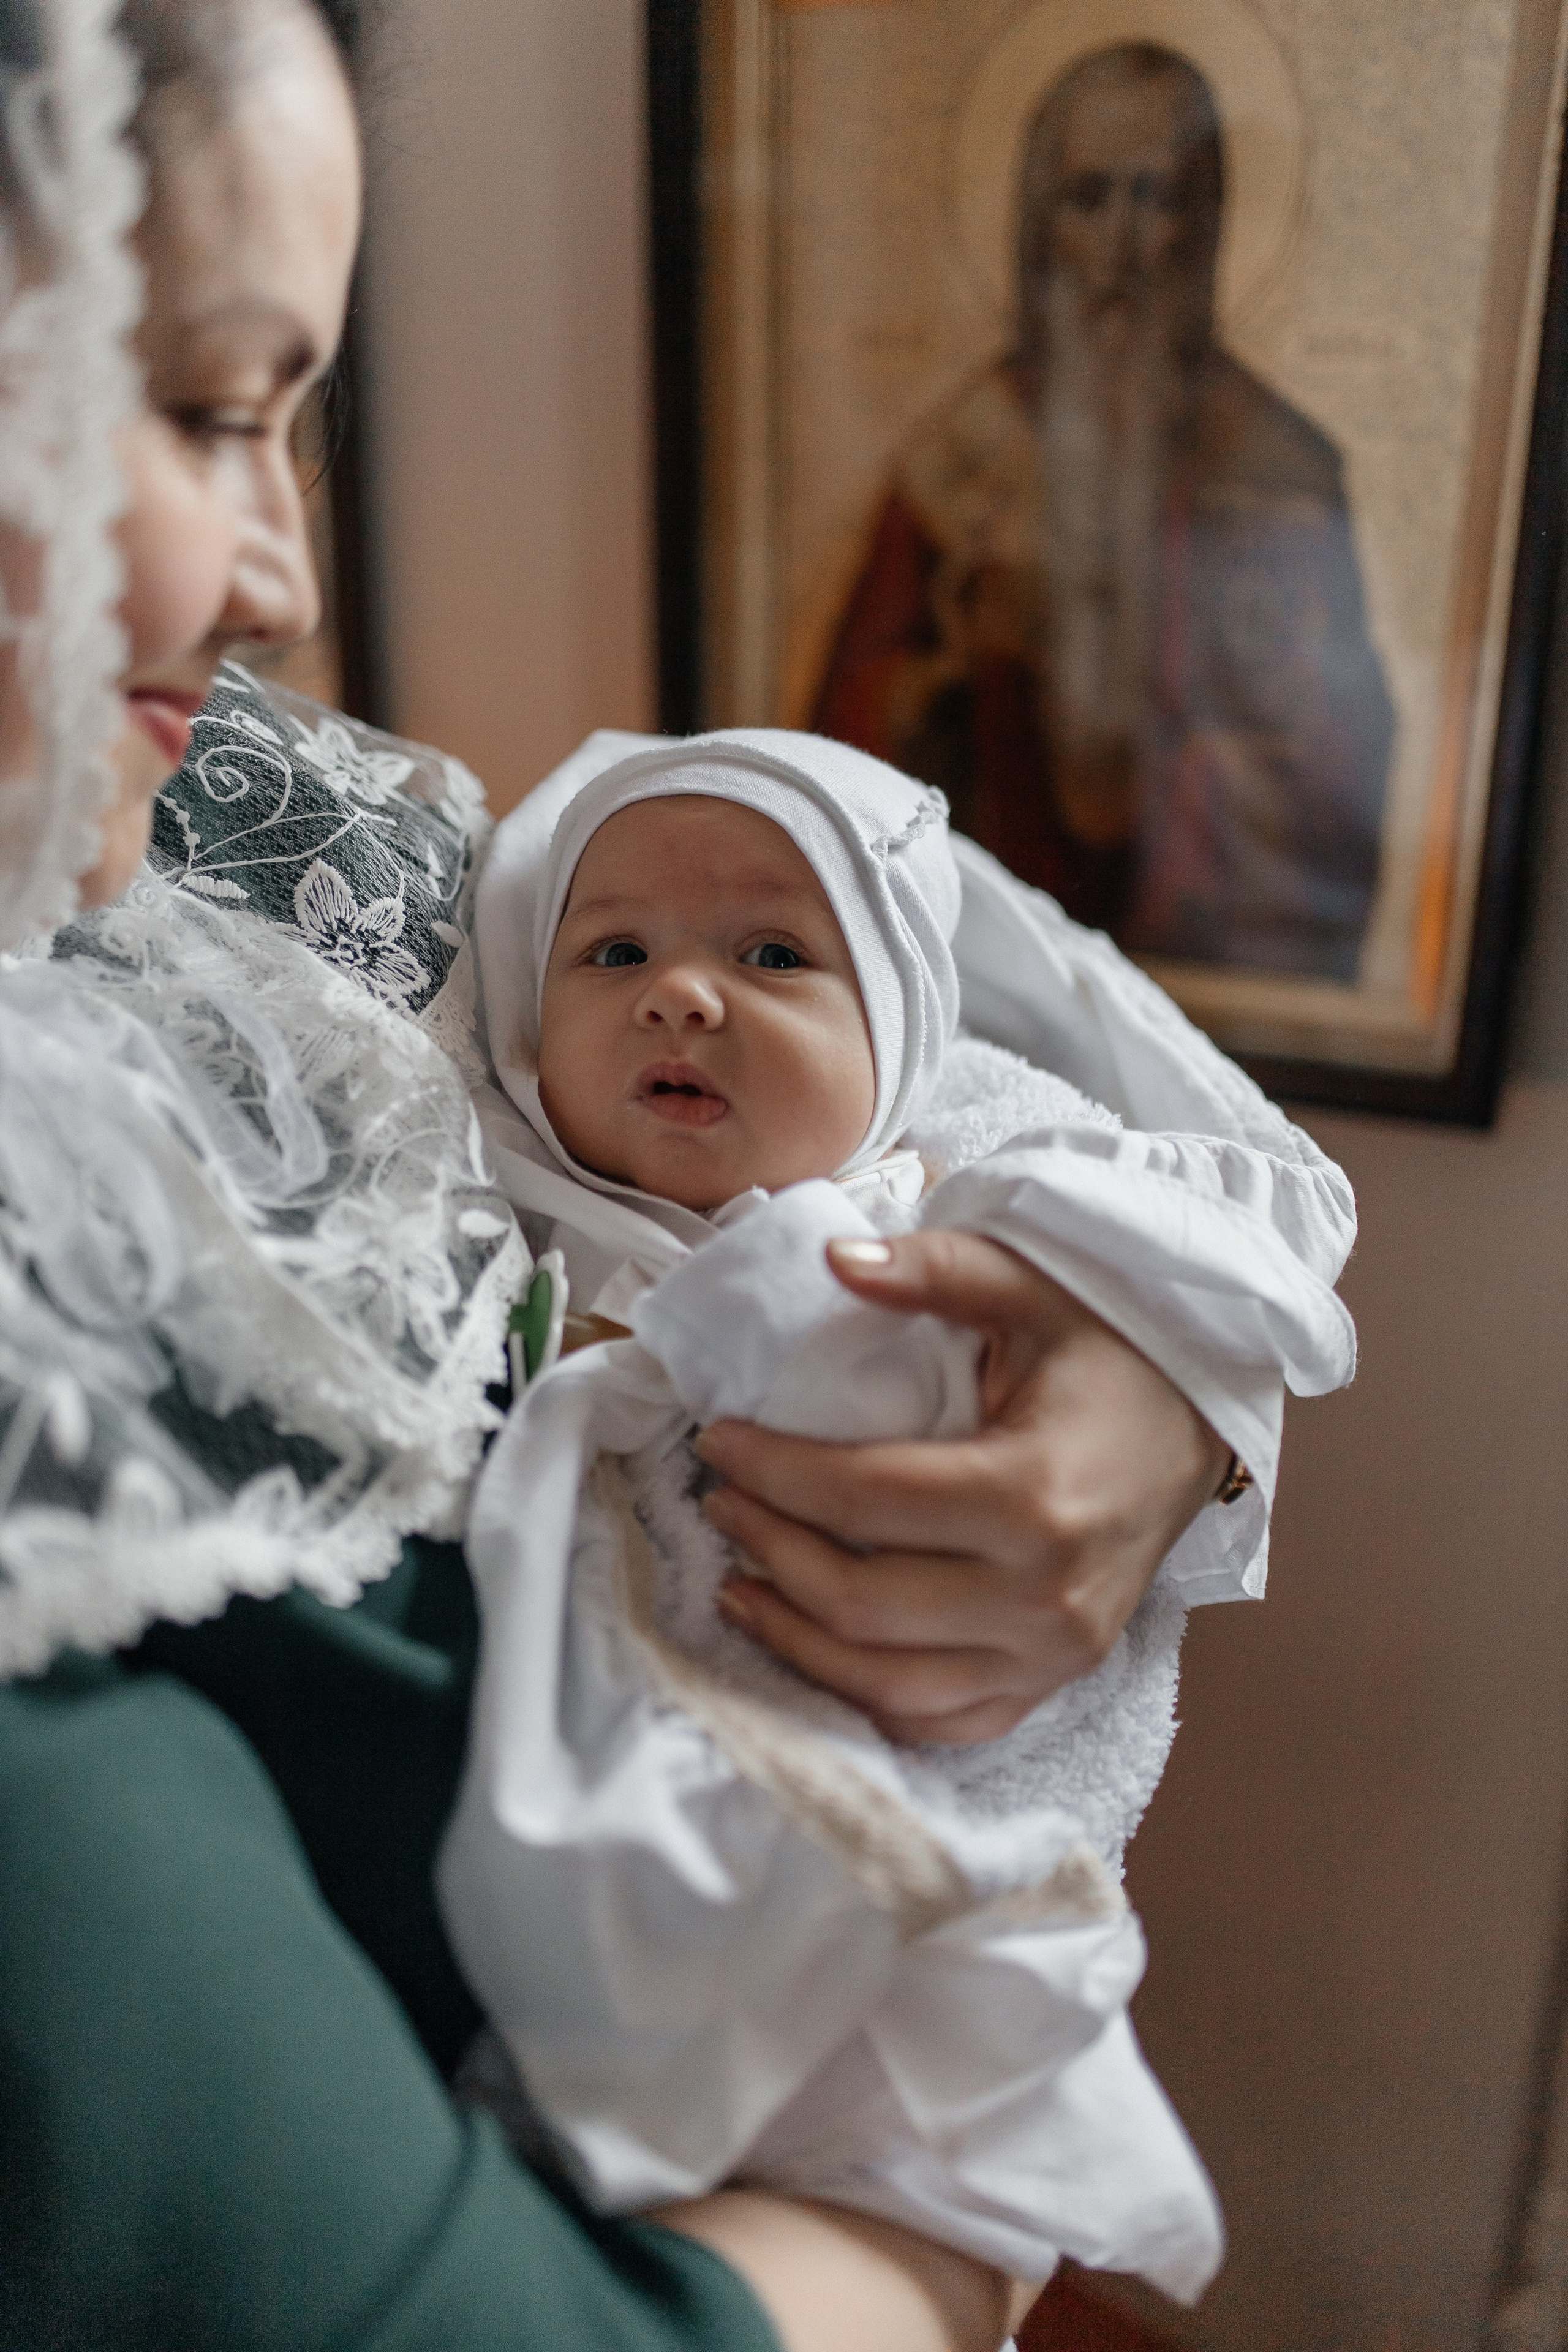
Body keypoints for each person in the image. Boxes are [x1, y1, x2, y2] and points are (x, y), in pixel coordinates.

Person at [0, 2, 1357, 2345]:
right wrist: (953, 2238)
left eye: (304, 420)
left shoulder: (251, 811)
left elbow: (1012, 1051)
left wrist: (1149, 1368)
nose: (284, 581)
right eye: (214, 406)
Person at [434, 726, 1350, 2300]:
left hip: (921, 1827)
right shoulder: (492, 1219)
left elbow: (1218, 1268)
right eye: (614, 952)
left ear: (904, 1034)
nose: (677, 992)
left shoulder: (948, 1223)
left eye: (773, 953)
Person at [812, 41, 1395, 979]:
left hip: (1205, 975)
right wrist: (953, 674)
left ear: (1206, 225)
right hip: (981, 980)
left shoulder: (1281, 472)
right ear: (1040, 229)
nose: (1124, 246)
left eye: (1158, 198)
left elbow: (1339, 798)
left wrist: (1240, 701)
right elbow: (836, 753)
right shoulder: (955, 461)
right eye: (1089, 199)